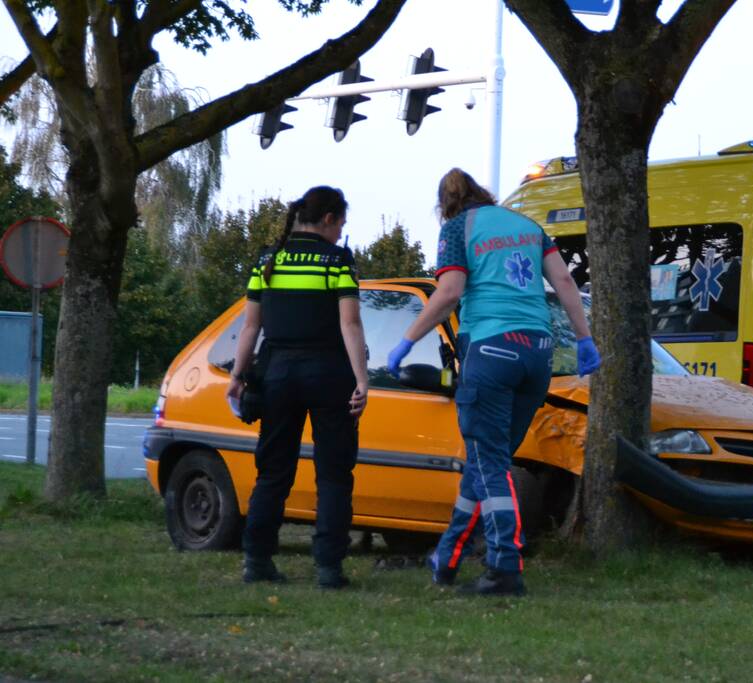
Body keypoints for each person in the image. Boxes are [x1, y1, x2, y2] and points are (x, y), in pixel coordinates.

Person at [387, 168, 601, 596]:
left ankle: (505, 564)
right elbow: (562, 281)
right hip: (538, 354)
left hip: (490, 350)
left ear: (445, 205)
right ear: (484, 194)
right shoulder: (527, 226)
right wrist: (584, 338)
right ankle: (445, 559)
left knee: (492, 464)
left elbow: (449, 291)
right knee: (486, 463)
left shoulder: (455, 229)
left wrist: (407, 341)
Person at [226, 185, 368, 589]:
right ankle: (328, 568)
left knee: (272, 471)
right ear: (327, 219)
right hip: (329, 373)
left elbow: (250, 326)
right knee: (335, 473)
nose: (341, 233)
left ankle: (257, 561)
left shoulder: (268, 260)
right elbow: (350, 324)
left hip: (277, 375)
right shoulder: (337, 261)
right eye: (340, 223)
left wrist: (238, 377)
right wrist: (361, 379)